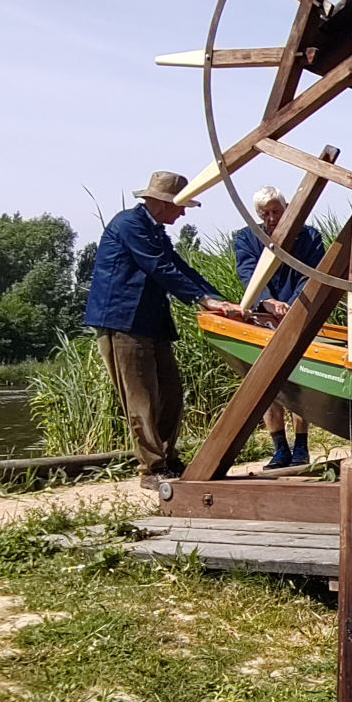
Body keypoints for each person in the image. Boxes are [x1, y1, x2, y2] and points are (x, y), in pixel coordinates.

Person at [83, 171, 240, 485]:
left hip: (152, 323)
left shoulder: (154, 231)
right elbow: (159, 266)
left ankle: (168, 459)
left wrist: (218, 301)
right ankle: (152, 469)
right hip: (123, 323)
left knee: (171, 393)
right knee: (141, 399)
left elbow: (179, 267)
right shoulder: (129, 224)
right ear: (160, 202)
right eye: (179, 206)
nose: (182, 213)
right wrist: (200, 299)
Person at [232, 185, 326, 469]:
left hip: (300, 314)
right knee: (266, 384)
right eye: (265, 213)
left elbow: (311, 273)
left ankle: (301, 447)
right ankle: (279, 448)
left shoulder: (310, 237)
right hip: (263, 316)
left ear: (286, 210)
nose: (271, 218)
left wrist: (294, 305)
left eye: (276, 211)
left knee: (299, 382)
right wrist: (267, 301)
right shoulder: (247, 238)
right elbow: (248, 272)